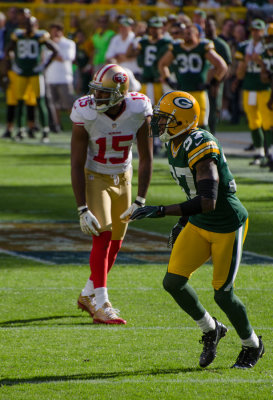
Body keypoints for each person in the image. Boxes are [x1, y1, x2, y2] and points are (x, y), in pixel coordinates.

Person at [130, 90, 265, 369]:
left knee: (222, 294)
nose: (157, 123)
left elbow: (208, 200)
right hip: (199, 223)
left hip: (226, 224)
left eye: (164, 118)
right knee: (173, 282)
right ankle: (211, 328)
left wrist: (161, 211)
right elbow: (192, 191)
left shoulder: (200, 143)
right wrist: (182, 221)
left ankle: (253, 344)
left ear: (181, 121)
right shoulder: (174, 142)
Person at [70, 63, 153, 324]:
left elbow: (147, 156)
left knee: (116, 242)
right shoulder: (85, 111)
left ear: (120, 93)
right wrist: (82, 207)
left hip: (124, 176)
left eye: (103, 93)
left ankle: (87, 295)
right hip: (96, 176)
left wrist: (141, 198)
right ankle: (103, 303)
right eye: (96, 91)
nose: (96, 98)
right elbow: (75, 162)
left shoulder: (139, 108)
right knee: (103, 236)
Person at [159, 23, 228, 130]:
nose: (186, 36)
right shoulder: (177, 47)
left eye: (189, 33)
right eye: (185, 33)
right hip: (182, 91)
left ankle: (206, 145)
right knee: (181, 123)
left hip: (198, 91)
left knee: (202, 124)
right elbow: (162, 64)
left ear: (197, 34)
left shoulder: (203, 47)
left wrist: (213, 82)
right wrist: (168, 80)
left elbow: (222, 66)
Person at [5, 15, 58, 142]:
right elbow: (8, 50)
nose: (29, 27)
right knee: (20, 101)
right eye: (27, 24)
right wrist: (13, 64)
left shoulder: (40, 36)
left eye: (31, 24)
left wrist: (44, 66)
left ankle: (45, 131)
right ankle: (20, 130)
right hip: (22, 73)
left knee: (40, 101)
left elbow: (55, 50)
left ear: (36, 25)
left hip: (35, 73)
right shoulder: (18, 35)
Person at [234, 18, 270, 165]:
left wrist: (260, 62)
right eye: (253, 30)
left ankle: (269, 152)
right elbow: (239, 74)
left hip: (264, 88)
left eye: (258, 30)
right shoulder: (244, 47)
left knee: (267, 122)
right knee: (253, 122)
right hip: (249, 88)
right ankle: (259, 152)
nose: (256, 33)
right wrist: (245, 63)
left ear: (263, 31)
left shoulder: (268, 47)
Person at [44, 23, 76, 133]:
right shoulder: (47, 43)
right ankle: (57, 125)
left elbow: (67, 57)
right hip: (50, 77)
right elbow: (44, 58)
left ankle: (76, 125)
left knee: (69, 104)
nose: (54, 33)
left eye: (56, 31)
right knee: (54, 105)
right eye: (52, 31)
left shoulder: (68, 43)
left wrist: (55, 53)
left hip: (64, 78)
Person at [205, 16, 232, 135]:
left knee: (214, 109)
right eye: (206, 26)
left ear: (215, 27)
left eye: (210, 25)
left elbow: (227, 67)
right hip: (203, 82)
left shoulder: (221, 44)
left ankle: (213, 134)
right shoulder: (202, 43)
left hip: (216, 82)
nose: (208, 28)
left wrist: (218, 82)